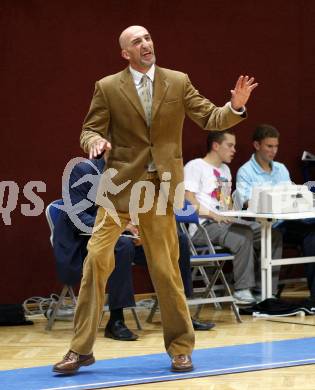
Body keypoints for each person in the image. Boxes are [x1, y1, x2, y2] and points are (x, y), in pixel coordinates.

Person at [53, 25, 257, 374]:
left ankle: (180, 348)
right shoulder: (108, 87)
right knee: (96, 261)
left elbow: (210, 117)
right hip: (119, 189)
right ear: (125, 53)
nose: (145, 44)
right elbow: (91, 129)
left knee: (165, 269)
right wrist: (94, 143)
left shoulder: (177, 81)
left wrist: (235, 107)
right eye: (137, 41)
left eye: (147, 38)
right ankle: (81, 349)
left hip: (160, 190)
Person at [54, 157, 215, 335]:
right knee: (122, 245)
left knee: (178, 240)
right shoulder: (83, 170)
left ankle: (180, 315)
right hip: (87, 241)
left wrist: (143, 231)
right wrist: (120, 229)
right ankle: (116, 321)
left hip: (126, 236)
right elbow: (76, 217)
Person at [184, 130, 283, 303]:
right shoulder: (195, 166)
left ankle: (266, 290)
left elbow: (225, 202)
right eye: (229, 145)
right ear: (216, 146)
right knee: (243, 236)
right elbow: (189, 200)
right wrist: (214, 215)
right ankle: (242, 291)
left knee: (270, 234)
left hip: (223, 223)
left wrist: (235, 215)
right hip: (203, 226)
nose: (234, 150)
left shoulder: (225, 170)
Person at [236, 123, 315, 298]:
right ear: (257, 145)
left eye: (276, 146)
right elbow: (249, 203)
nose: (273, 151)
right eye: (269, 146)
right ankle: (264, 291)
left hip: (288, 222)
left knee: (312, 235)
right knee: (274, 236)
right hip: (266, 225)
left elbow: (291, 196)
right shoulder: (245, 172)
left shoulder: (281, 169)